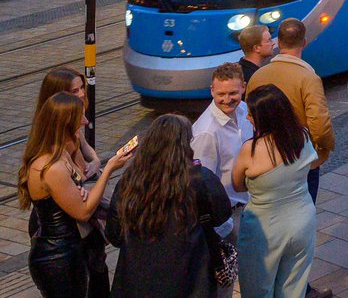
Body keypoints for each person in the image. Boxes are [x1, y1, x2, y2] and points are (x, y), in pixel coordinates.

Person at [107, 114, 231, 298]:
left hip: (135, 285)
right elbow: (222, 217)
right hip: (190, 283)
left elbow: (114, 236)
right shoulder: (201, 179)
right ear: (186, 143)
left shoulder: (129, 181)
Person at [20, 93, 132, 298]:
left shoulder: (62, 151)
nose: (86, 121)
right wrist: (109, 170)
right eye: (80, 117)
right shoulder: (50, 166)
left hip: (71, 250)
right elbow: (83, 212)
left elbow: (76, 191)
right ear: (65, 123)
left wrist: (77, 188)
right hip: (57, 257)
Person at [234, 85, 320, 298]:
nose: (248, 119)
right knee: (294, 286)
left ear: (266, 117)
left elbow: (237, 185)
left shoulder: (251, 149)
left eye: (252, 114)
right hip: (302, 221)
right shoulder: (302, 136)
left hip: (264, 230)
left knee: (258, 289)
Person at [246, 18, 334, 206]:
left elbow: (250, 119)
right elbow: (319, 124)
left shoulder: (257, 76)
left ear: (278, 42)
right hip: (300, 158)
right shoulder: (308, 78)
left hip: (266, 158)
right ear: (304, 42)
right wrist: (323, 151)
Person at [191, 63, 255, 298]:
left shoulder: (245, 111)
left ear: (243, 88)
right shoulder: (207, 132)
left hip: (247, 206)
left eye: (233, 93)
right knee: (224, 280)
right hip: (225, 217)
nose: (227, 99)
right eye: (221, 94)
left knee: (251, 270)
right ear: (211, 91)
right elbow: (202, 183)